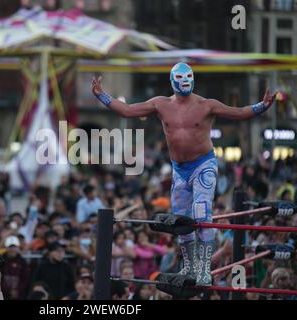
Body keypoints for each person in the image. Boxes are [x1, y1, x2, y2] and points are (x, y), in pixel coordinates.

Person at [92, 62, 277, 286]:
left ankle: (203, 268)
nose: (185, 84)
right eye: (181, 80)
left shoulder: (206, 105)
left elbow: (238, 113)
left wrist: (262, 106)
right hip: (179, 170)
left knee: (202, 211)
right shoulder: (160, 104)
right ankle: (190, 266)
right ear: (173, 82)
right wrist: (102, 96)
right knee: (181, 220)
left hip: (204, 164)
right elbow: (128, 111)